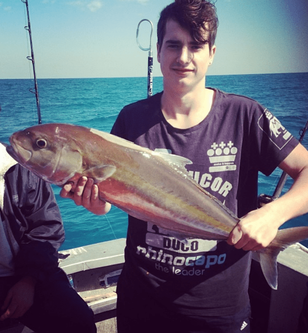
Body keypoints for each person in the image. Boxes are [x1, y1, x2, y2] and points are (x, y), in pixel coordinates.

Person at [60, 0, 308, 332]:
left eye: (196, 45)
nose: (184, 57)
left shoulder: (245, 115)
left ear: (212, 53)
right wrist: (95, 202)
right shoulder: (132, 118)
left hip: (218, 310)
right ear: (159, 50)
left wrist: (273, 214)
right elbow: (110, 198)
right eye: (174, 45)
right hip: (140, 302)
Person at [0, 84, 96, 333]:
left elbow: (46, 226)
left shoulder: (20, 166)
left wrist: (28, 281)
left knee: (79, 322)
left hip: (25, 273)